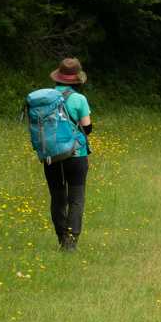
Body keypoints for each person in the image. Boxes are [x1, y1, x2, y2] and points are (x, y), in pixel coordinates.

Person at [43, 57, 93, 252]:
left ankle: (61, 237)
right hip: (76, 155)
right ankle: (71, 242)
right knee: (76, 199)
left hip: (51, 156)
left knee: (57, 198)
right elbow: (87, 128)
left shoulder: (46, 97)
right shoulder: (79, 99)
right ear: (77, 79)